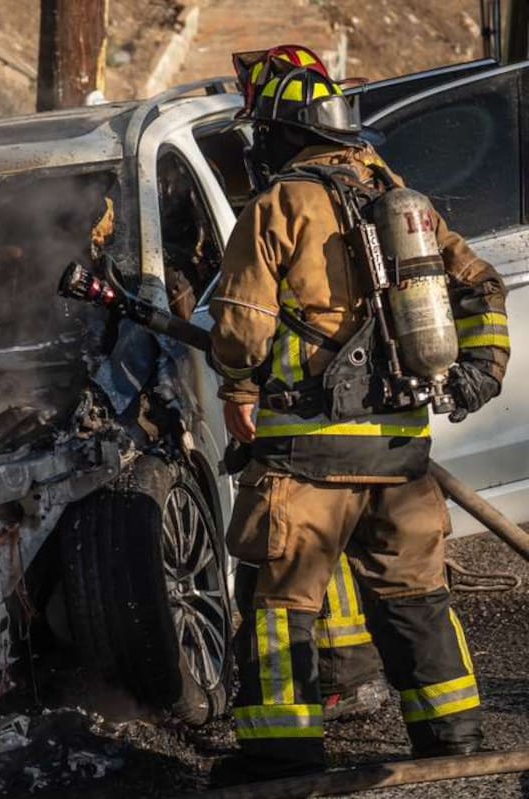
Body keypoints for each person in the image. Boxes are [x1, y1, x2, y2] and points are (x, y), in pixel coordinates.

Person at [208, 44, 510, 782]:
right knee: (416, 597)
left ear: (283, 132)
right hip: (400, 450)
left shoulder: (279, 204)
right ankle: (455, 738)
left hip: (308, 455)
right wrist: (479, 374)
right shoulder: (402, 199)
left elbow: (244, 324)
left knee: (281, 600)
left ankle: (280, 752)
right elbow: (483, 286)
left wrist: (238, 388)